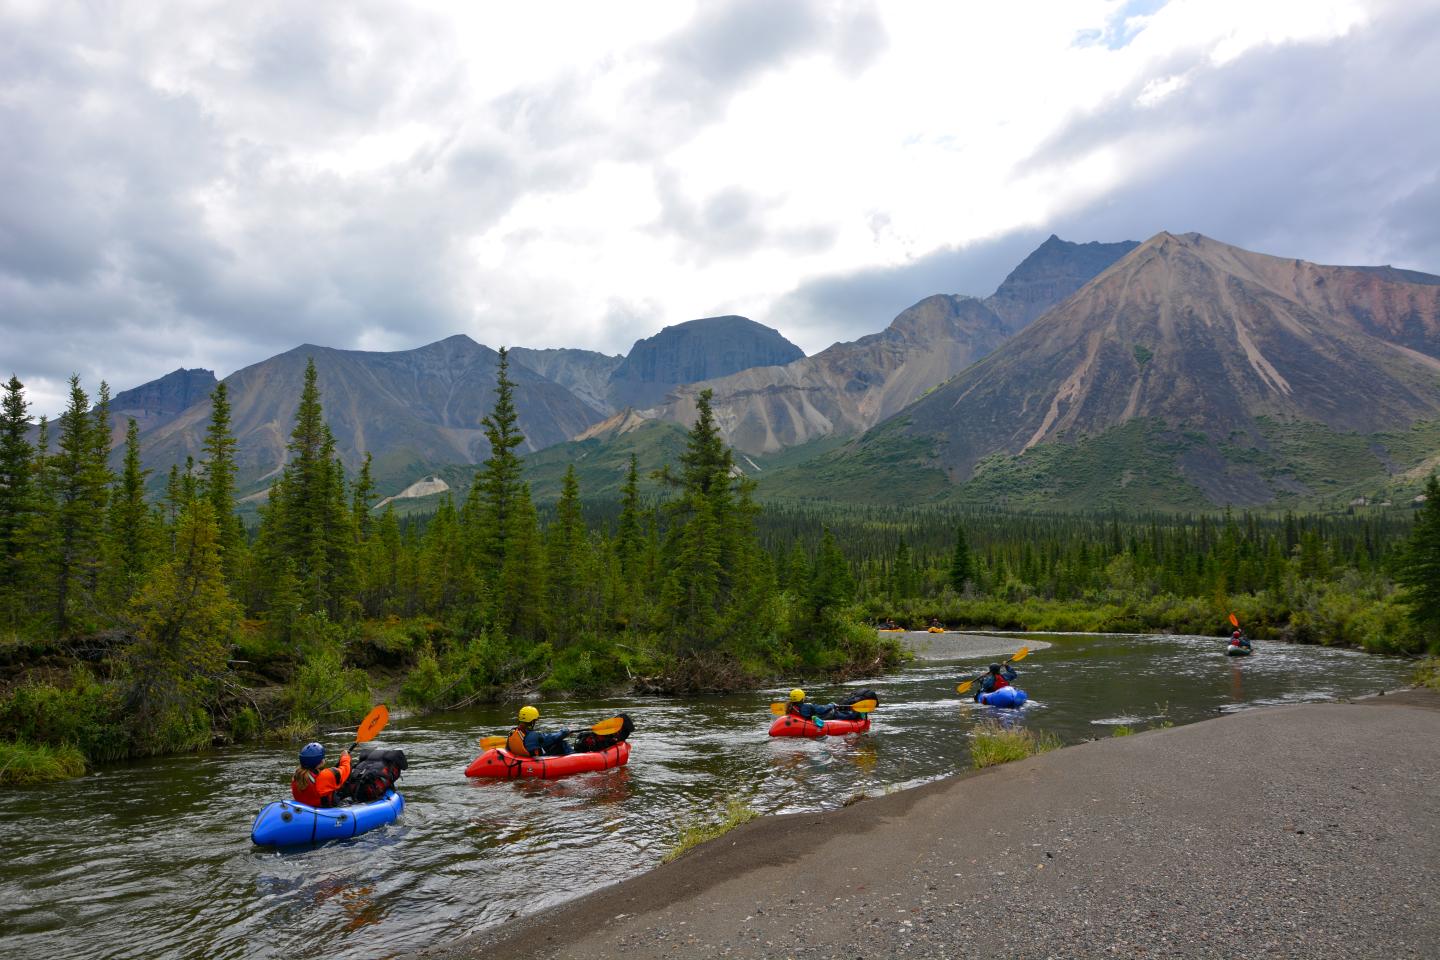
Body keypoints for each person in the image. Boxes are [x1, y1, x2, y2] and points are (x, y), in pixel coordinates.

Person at [291, 741, 351, 808]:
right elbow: (346, 769)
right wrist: (345, 756)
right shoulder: (325, 776)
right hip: (324, 811)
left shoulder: (296, 775)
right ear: (321, 761)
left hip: (303, 810)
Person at [506, 705, 573, 758]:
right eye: (535, 720)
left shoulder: (513, 731)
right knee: (561, 743)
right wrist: (566, 731)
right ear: (532, 721)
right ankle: (574, 756)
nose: (535, 722)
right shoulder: (533, 736)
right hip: (534, 759)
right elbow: (553, 737)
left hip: (521, 755)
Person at [786, 688, 862, 723]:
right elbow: (822, 709)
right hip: (818, 719)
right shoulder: (807, 706)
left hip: (807, 720)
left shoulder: (791, 707)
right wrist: (831, 705)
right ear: (802, 698)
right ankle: (856, 714)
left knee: (834, 711)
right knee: (834, 713)